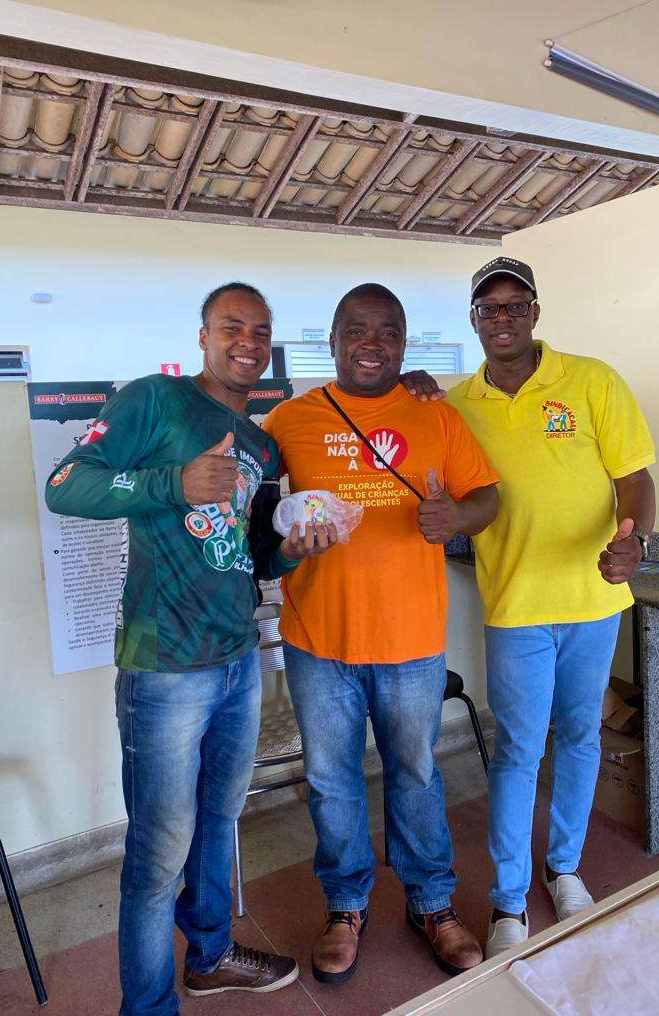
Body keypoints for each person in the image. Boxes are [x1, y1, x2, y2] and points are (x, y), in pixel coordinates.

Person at [46, 283, 337, 1016]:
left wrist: (295, 550)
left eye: (261, 331)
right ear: (203, 336)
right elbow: (65, 485)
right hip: (164, 668)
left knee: (217, 825)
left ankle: (209, 957)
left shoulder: (261, 444)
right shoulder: (154, 399)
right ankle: (147, 1007)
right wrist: (174, 481)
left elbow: (254, 555)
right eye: (232, 326)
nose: (248, 342)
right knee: (157, 854)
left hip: (238, 660)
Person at [415, 256, 656, 957]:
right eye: (488, 308)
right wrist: (409, 386)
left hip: (593, 600)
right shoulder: (458, 406)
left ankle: (566, 868)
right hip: (516, 606)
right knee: (519, 748)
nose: (502, 318)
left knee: (581, 735)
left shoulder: (592, 381)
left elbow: (634, 479)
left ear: (535, 313)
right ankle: (509, 900)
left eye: (514, 305)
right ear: (474, 320)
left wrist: (635, 539)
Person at [262, 283, 499, 982]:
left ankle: (431, 903)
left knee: (416, 774)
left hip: (410, 640)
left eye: (389, 331)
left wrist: (457, 519)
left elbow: (486, 496)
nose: (373, 343)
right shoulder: (288, 420)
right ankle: (345, 907)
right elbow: (256, 521)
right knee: (331, 781)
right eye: (358, 329)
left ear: (404, 343)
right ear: (332, 340)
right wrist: (285, 545)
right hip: (318, 640)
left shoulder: (437, 414)